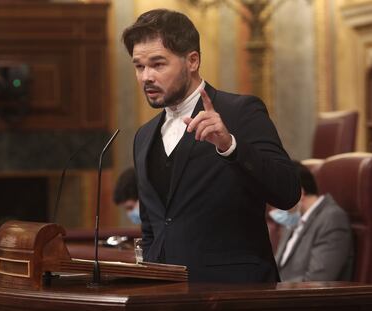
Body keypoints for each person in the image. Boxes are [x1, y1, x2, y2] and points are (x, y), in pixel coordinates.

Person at [122, 9, 301, 283]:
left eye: (158, 64)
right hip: (164, 294)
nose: (146, 77)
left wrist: (231, 146)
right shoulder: (144, 136)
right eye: (139, 66)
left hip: (236, 291)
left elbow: (288, 192)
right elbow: (152, 227)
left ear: (192, 61)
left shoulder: (241, 111)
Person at [272, 161, 353, 282]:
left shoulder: (332, 219)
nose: (274, 207)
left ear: (298, 192)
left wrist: (272, 291)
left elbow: (316, 281)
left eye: (277, 198)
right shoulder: (295, 217)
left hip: (305, 299)